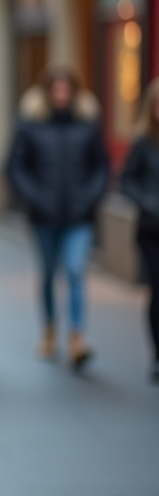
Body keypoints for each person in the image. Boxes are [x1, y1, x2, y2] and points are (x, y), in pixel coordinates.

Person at [7, 68, 108, 371]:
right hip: (44, 216)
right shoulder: (31, 125)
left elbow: (101, 166)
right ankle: (50, 328)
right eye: (56, 89)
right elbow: (15, 166)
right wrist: (35, 197)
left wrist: (90, 198)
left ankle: (77, 337)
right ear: (48, 92)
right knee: (50, 274)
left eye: (66, 89)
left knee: (76, 271)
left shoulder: (87, 125)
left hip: (79, 216)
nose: (61, 95)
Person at [122, 77, 159, 383]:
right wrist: (147, 201)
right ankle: (158, 355)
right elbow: (127, 182)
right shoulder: (143, 143)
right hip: (152, 229)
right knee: (158, 290)